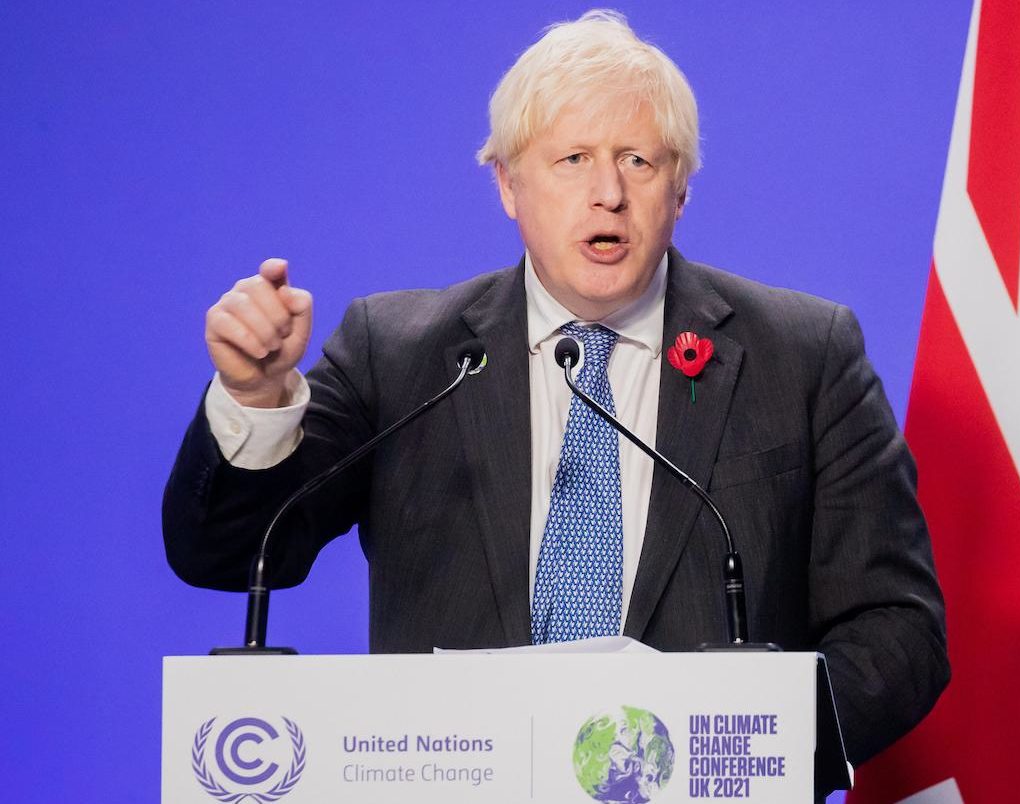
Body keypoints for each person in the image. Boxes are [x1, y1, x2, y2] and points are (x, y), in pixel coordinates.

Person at [162, 9, 946, 765]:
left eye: (639, 160)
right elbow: (229, 554)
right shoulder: (397, 357)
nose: (609, 191)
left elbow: (897, 630)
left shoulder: (804, 357)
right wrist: (258, 399)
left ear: (682, 190)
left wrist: (744, 756)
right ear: (507, 185)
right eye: (572, 159)